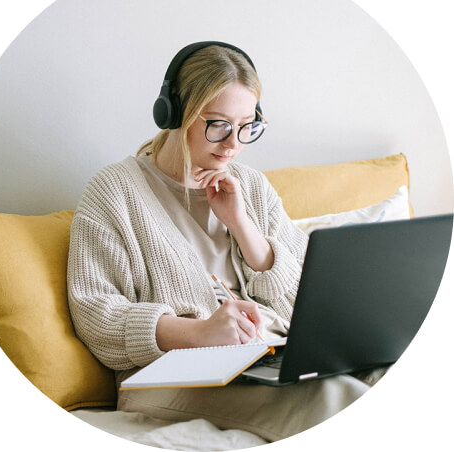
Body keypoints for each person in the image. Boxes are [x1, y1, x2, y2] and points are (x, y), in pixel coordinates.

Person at [67, 42, 382, 442]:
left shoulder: (250, 185)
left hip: (270, 354)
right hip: (170, 376)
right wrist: (198, 333)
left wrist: (243, 226)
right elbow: (97, 316)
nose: (233, 143)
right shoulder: (114, 192)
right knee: (336, 397)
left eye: (246, 126)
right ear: (175, 113)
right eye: (218, 124)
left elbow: (307, 298)